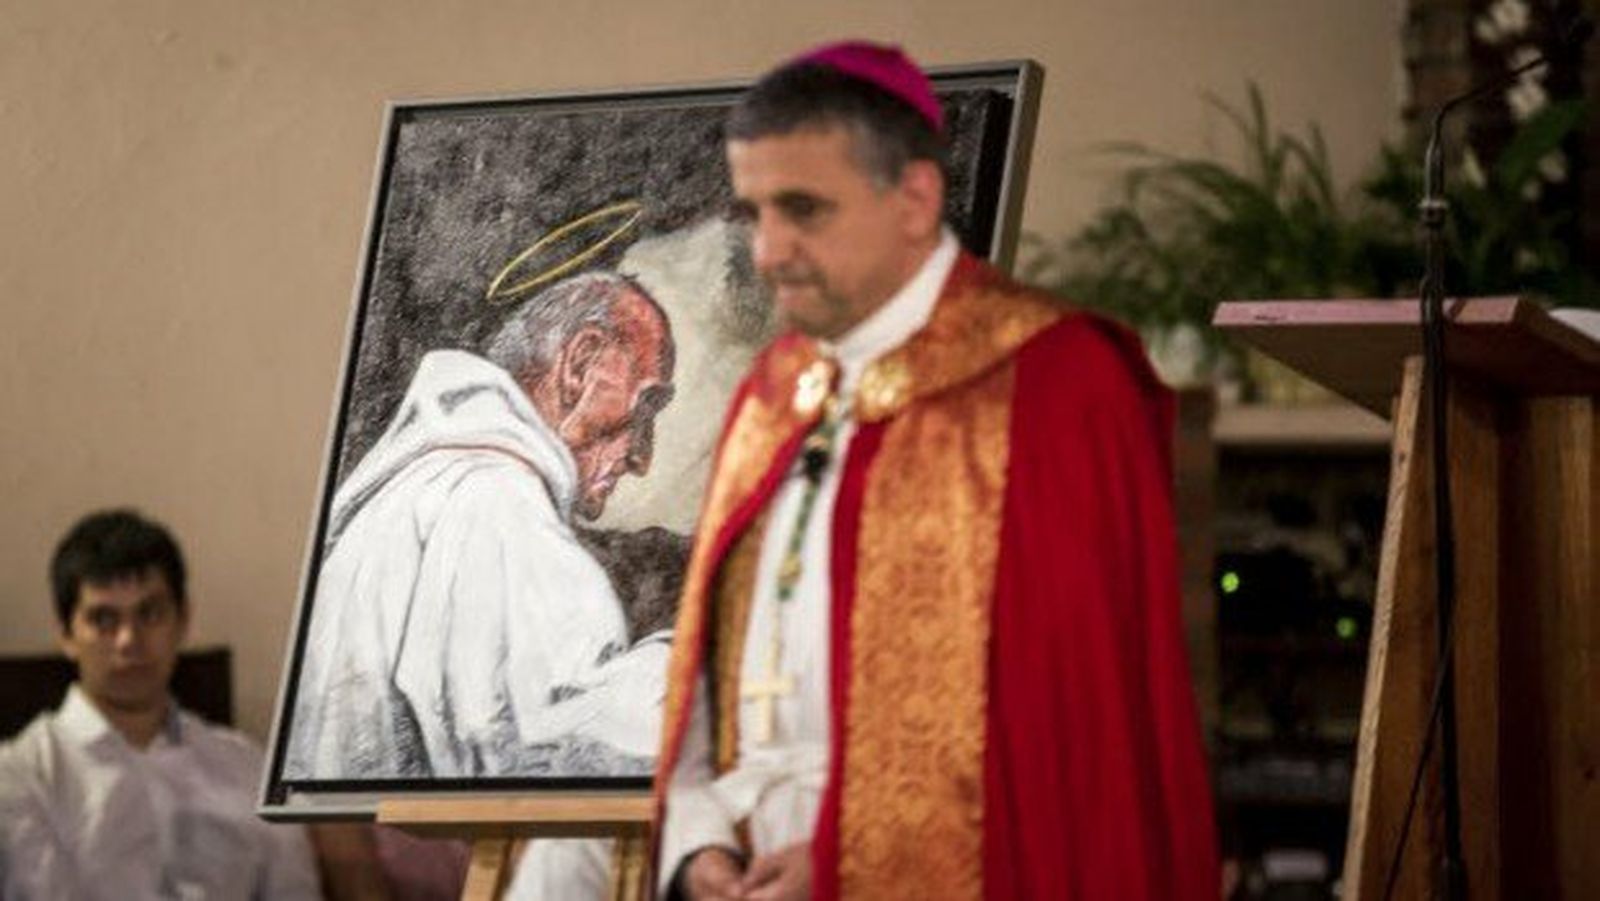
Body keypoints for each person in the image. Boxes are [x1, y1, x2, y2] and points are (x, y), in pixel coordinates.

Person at [652, 41, 1219, 899]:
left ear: (915, 199)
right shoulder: (772, 393)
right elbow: (713, 682)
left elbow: (1072, 722)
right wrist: (697, 841)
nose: (768, 251)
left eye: (803, 209)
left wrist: (846, 858)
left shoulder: (1054, 381)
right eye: (756, 212)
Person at [286, 271, 677, 780]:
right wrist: (692, 662)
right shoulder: (495, 506)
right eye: (646, 406)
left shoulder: (421, 491)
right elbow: (544, 756)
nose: (642, 457)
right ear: (580, 363)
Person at [0, 509, 322, 900]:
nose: (128, 640)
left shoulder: (248, 768)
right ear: (66, 634)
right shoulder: (23, 777)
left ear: (183, 619)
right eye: (104, 619)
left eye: (149, 614)